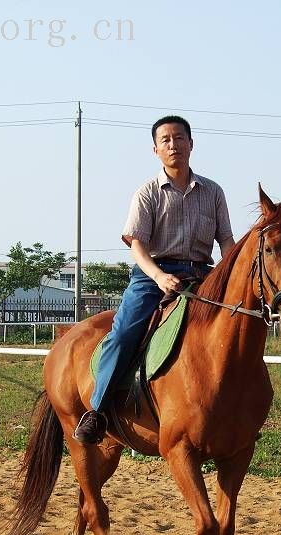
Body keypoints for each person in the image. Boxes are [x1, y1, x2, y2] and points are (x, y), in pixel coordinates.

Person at [73, 115, 235, 445]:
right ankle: (98, 409)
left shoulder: (214, 192)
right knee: (124, 332)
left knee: (235, 328)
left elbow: (227, 242)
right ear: (155, 149)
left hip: (203, 275)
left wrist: (229, 275)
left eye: (180, 138)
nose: (174, 144)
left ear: (192, 143)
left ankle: (237, 413)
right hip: (153, 275)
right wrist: (159, 276)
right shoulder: (147, 193)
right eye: (166, 140)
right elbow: (137, 245)